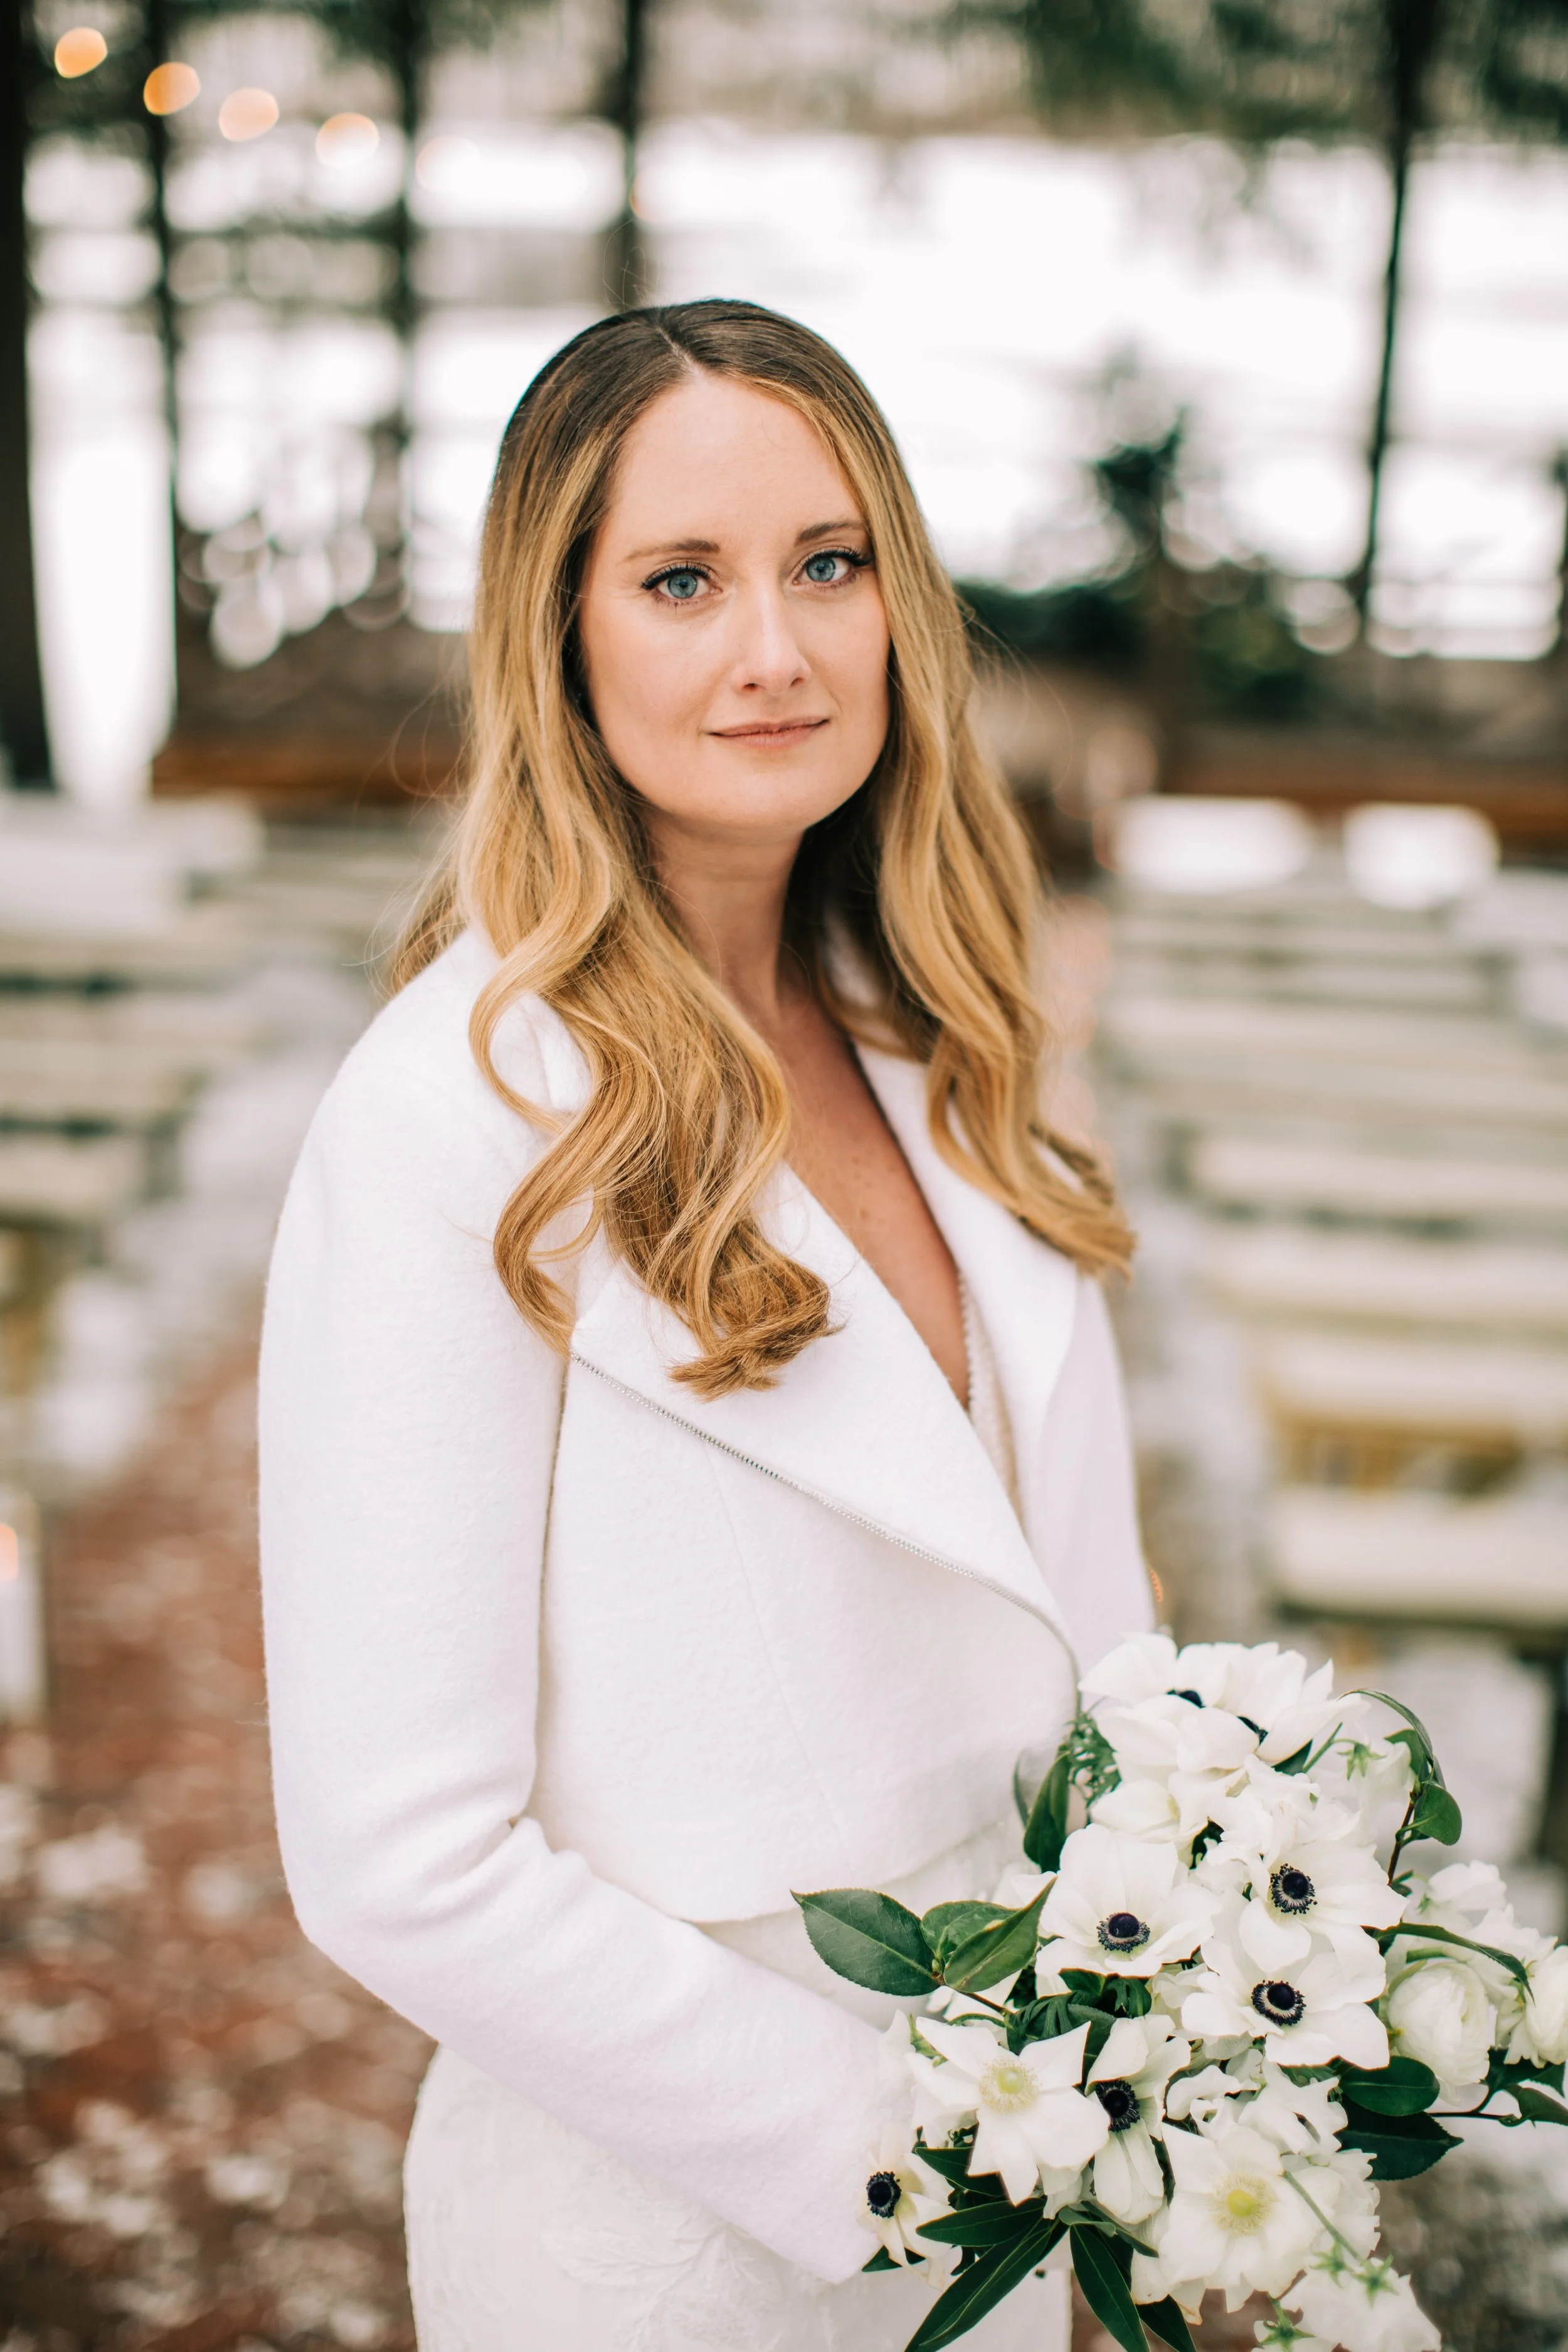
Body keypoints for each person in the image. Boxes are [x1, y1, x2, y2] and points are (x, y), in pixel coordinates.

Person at [258, 299, 1152, 2352]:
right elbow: (400, 1858)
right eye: (680, 581)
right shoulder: (455, 1120)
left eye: (828, 564)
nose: (777, 648)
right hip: (674, 2216)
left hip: (1030, 2163)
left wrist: (1139, 2083)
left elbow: (1081, 1637)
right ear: (558, 642)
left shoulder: (944, 1044)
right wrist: (918, 2145)